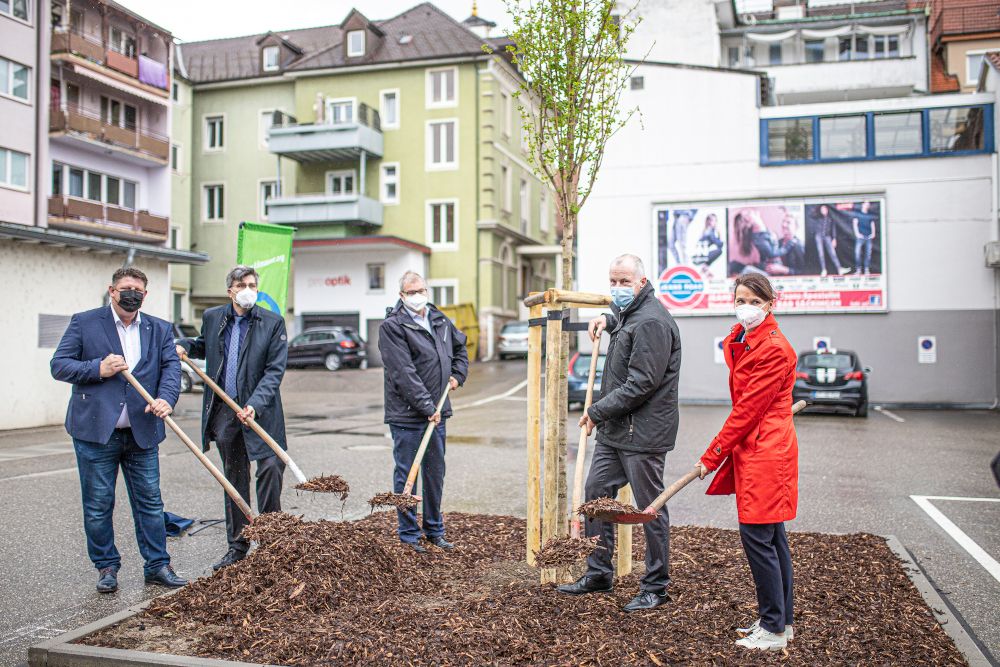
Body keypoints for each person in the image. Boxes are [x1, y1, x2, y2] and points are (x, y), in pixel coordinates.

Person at [50, 267, 187, 593]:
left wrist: (166, 399)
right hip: (96, 433)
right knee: (98, 504)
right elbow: (59, 364)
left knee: (150, 502)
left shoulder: (160, 329)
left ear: (145, 294)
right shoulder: (85, 322)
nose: (132, 294)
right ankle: (106, 567)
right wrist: (98, 368)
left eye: (137, 289)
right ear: (112, 291)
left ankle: (157, 565)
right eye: (126, 288)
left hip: (142, 432)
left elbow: (171, 368)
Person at [558, 254, 682, 613]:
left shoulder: (653, 323)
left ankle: (656, 586)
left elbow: (642, 382)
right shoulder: (630, 316)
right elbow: (626, 327)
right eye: (613, 281)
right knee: (595, 493)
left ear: (641, 283)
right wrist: (607, 319)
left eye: (624, 282)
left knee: (650, 508)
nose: (617, 288)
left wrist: (596, 411)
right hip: (617, 431)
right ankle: (599, 572)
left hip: (643, 433)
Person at [695, 273, 799, 651]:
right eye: (741, 299)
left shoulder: (773, 348)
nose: (747, 307)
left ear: (771, 304)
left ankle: (772, 629)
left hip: (766, 451)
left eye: (756, 301)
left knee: (759, 538)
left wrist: (711, 456)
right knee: (773, 538)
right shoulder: (744, 339)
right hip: (759, 446)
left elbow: (747, 412)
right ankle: (780, 622)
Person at [176, 265, 288, 570]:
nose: (248, 288)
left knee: (270, 469)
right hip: (226, 411)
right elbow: (204, 344)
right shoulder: (214, 317)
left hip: (261, 412)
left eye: (252, 284)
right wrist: (184, 346)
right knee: (234, 477)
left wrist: (254, 404)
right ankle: (238, 545)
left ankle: (271, 541)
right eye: (242, 284)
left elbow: (274, 371)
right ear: (231, 291)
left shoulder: (272, 322)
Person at [379, 271, 469, 553]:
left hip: (437, 412)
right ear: (402, 296)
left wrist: (458, 375)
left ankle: (434, 530)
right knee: (408, 474)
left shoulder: (439, 320)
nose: (417, 296)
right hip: (408, 415)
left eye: (421, 290)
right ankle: (408, 534)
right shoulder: (393, 327)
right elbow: (403, 372)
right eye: (411, 292)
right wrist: (427, 407)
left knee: (434, 472)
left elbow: (461, 348)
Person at [812, 204, 850, 277]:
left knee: (833, 253)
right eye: (822, 209)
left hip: (827, 236)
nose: (823, 211)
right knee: (821, 253)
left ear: (827, 210)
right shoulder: (818, 217)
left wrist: (834, 239)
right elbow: (812, 214)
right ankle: (824, 270)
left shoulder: (830, 218)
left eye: (825, 209)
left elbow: (833, 229)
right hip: (819, 236)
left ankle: (839, 269)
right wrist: (818, 208)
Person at [852, 201, 878, 275]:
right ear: (863, 205)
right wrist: (857, 234)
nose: (867, 206)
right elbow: (855, 223)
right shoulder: (858, 214)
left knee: (868, 254)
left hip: (868, 237)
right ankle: (858, 270)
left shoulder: (870, 215)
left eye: (868, 205)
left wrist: (873, 233)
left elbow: (872, 224)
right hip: (860, 237)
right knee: (857, 253)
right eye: (866, 204)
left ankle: (866, 270)